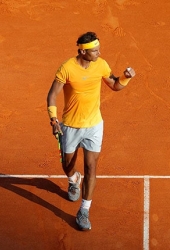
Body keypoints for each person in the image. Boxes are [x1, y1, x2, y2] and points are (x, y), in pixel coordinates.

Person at [46, 31, 136, 231]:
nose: (98, 52)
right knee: (67, 165)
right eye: (94, 50)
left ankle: (84, 210)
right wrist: (53, 119)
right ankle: (73, 179)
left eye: (98, 49)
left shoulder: (101, 64)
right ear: (82, 51)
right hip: (70, 125)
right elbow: (52, 95)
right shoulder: (67, 68)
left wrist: (125, 78)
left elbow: (114, 85)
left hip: (94, 125)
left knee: (91, 168)